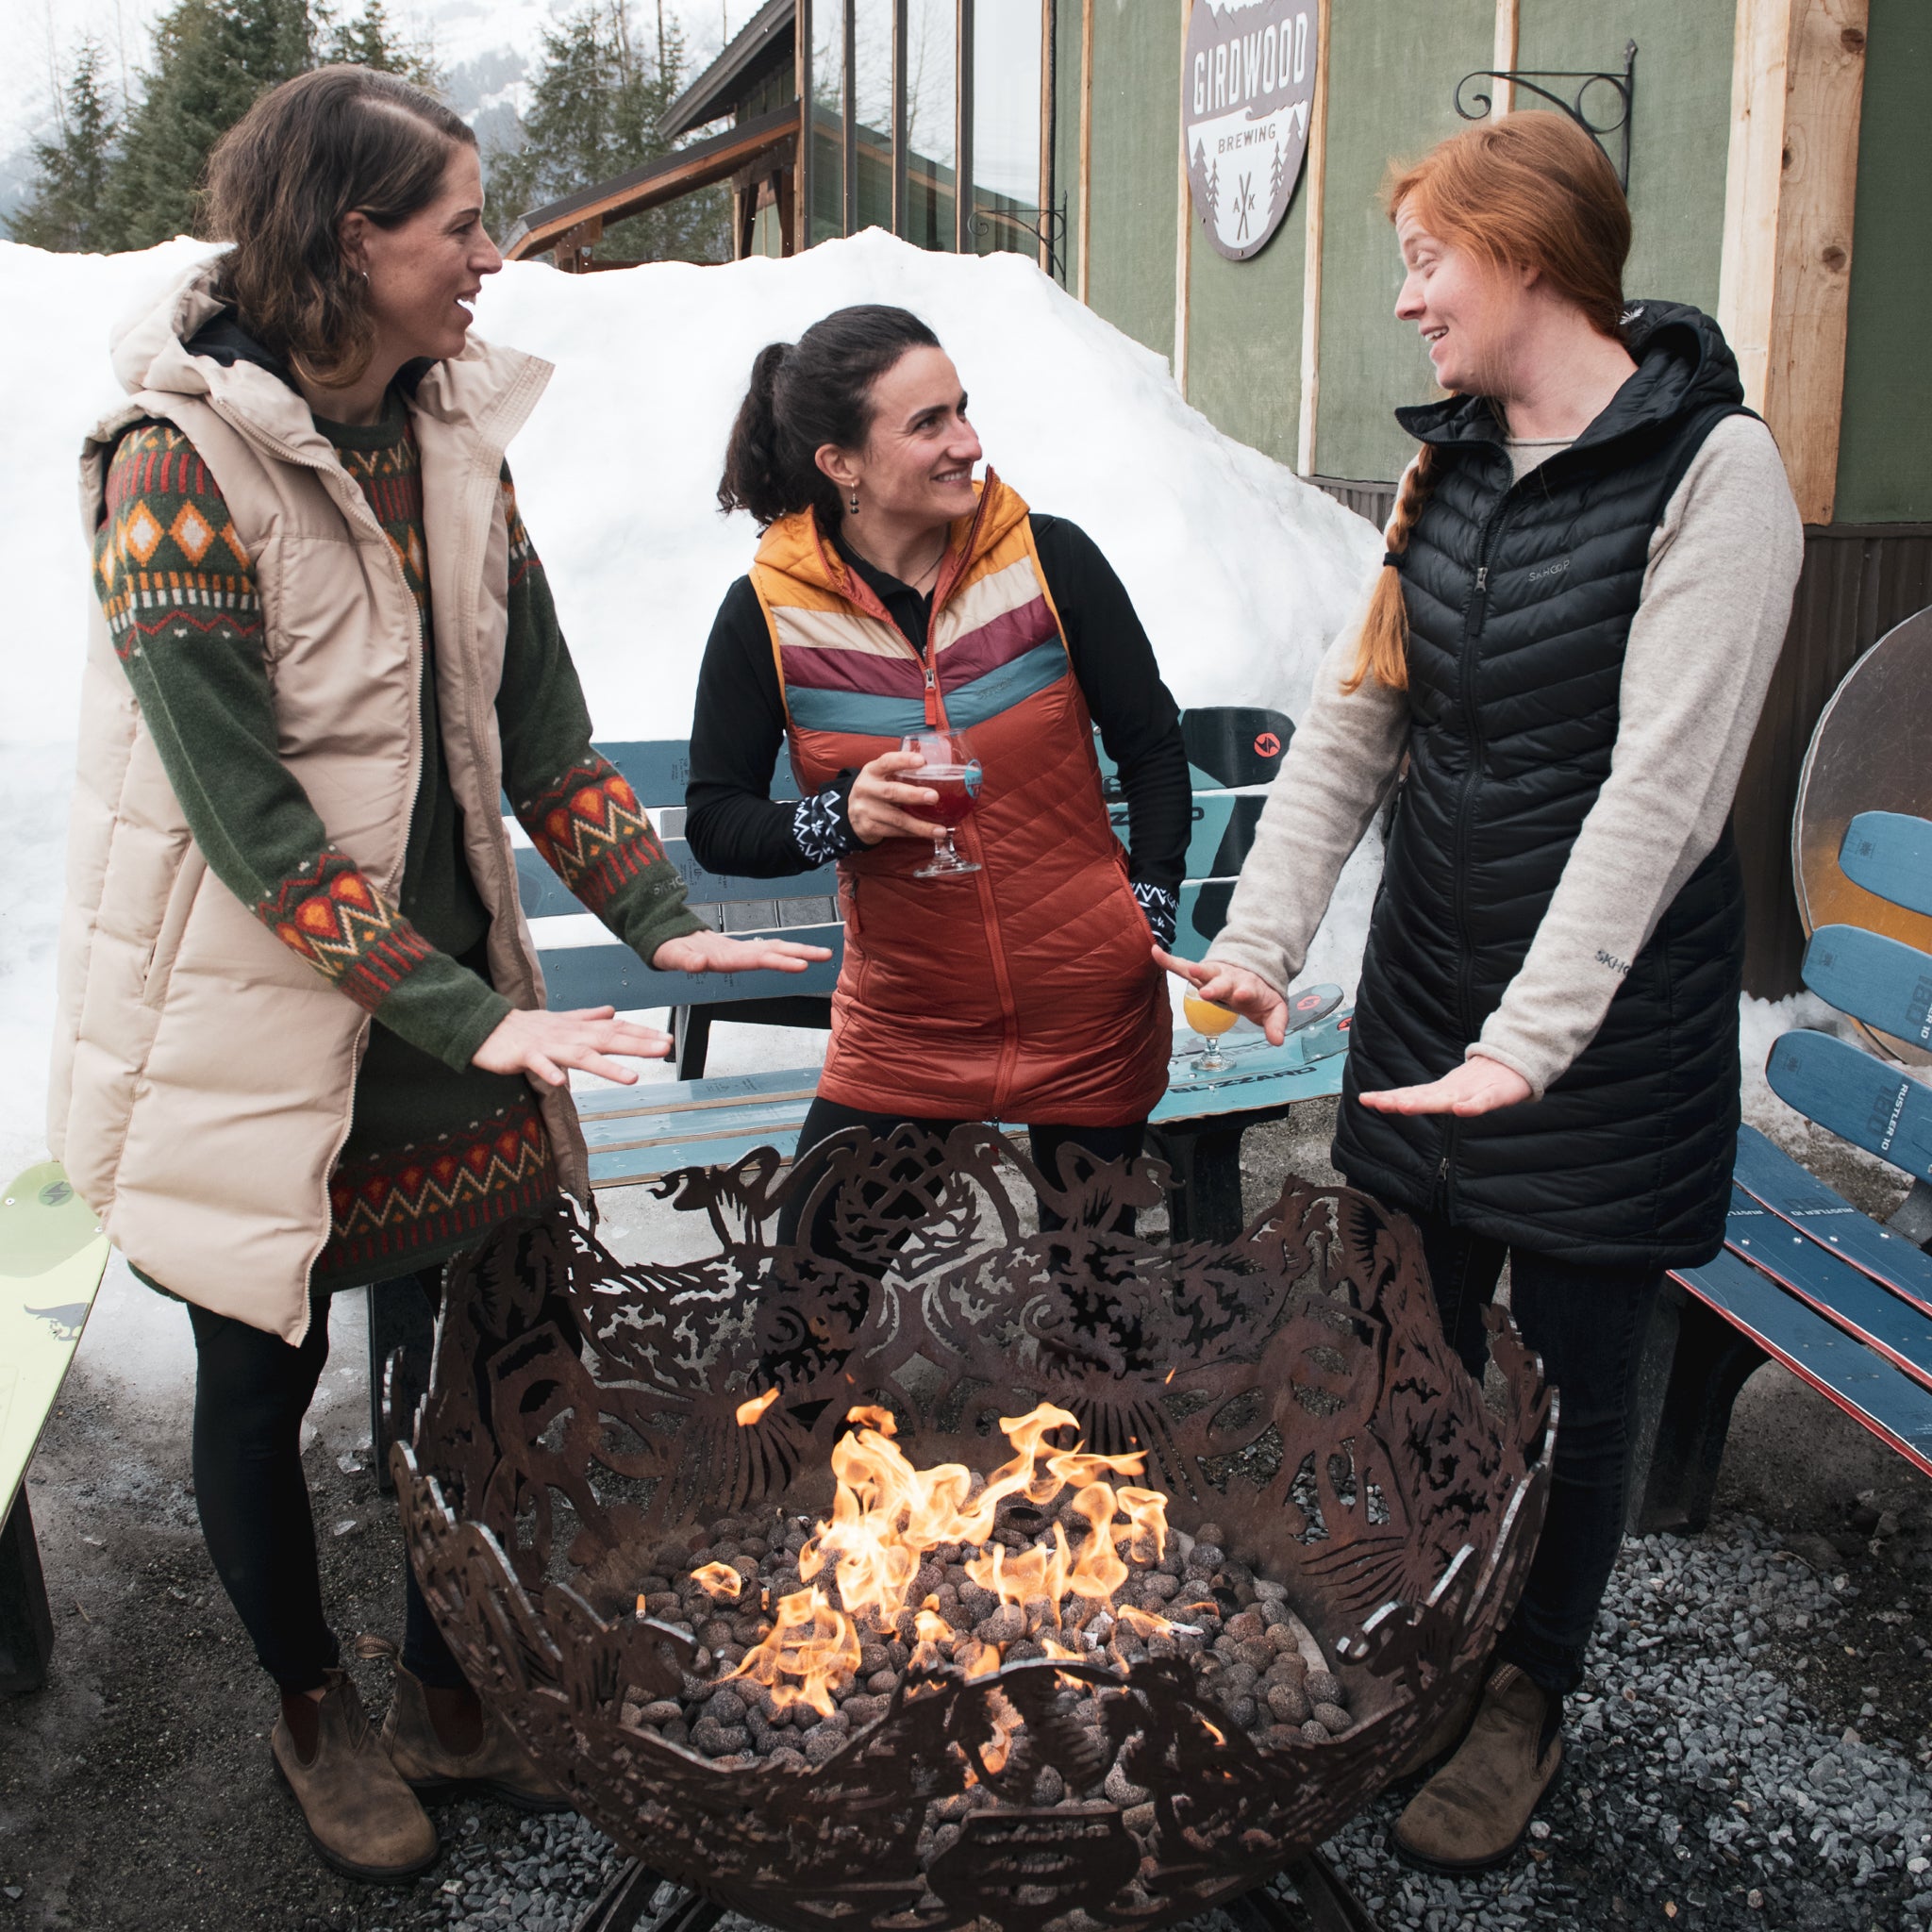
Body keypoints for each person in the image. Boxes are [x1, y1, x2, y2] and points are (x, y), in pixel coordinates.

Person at [50, 66, 825, 1882]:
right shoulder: (171, 470)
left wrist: (660, 917)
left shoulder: (455, 438)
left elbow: (537, 726)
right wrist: (482, 1015)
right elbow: (253, 832)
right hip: (251, 1036)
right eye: (462, 224)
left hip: (458, 1018)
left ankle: (445, 1681)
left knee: (482, 1363)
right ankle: (313, 1709)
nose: (494, 256)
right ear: (352, 241)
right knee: (260, 1383)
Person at [1158, 114, 1802, 1872]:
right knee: (1412, 1360)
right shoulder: (1444, 469)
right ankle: (1431, 1634)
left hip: (1603, 1034)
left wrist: (1533, 1041)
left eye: (1427, 260)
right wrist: (1261, 941)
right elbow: (1354, 717)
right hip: (1428, 996)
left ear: (1523, 253)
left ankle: (1526, 1689)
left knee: (1574, 1386)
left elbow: (1661, 795)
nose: (1406, 299)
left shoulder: (1715, 472)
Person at [686, 305, 1189, 1220]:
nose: (968, 442)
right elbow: (716, 819)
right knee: (808, 1293)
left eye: (963, 410)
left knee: (1096, 1294)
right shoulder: (766, 613)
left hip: (1088, 1013)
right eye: (928, 423)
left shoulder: (1049, 561)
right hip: (907, 1031)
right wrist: (837, 817)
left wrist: (1145, 906)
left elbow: (1151, 741)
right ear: (840, 464)